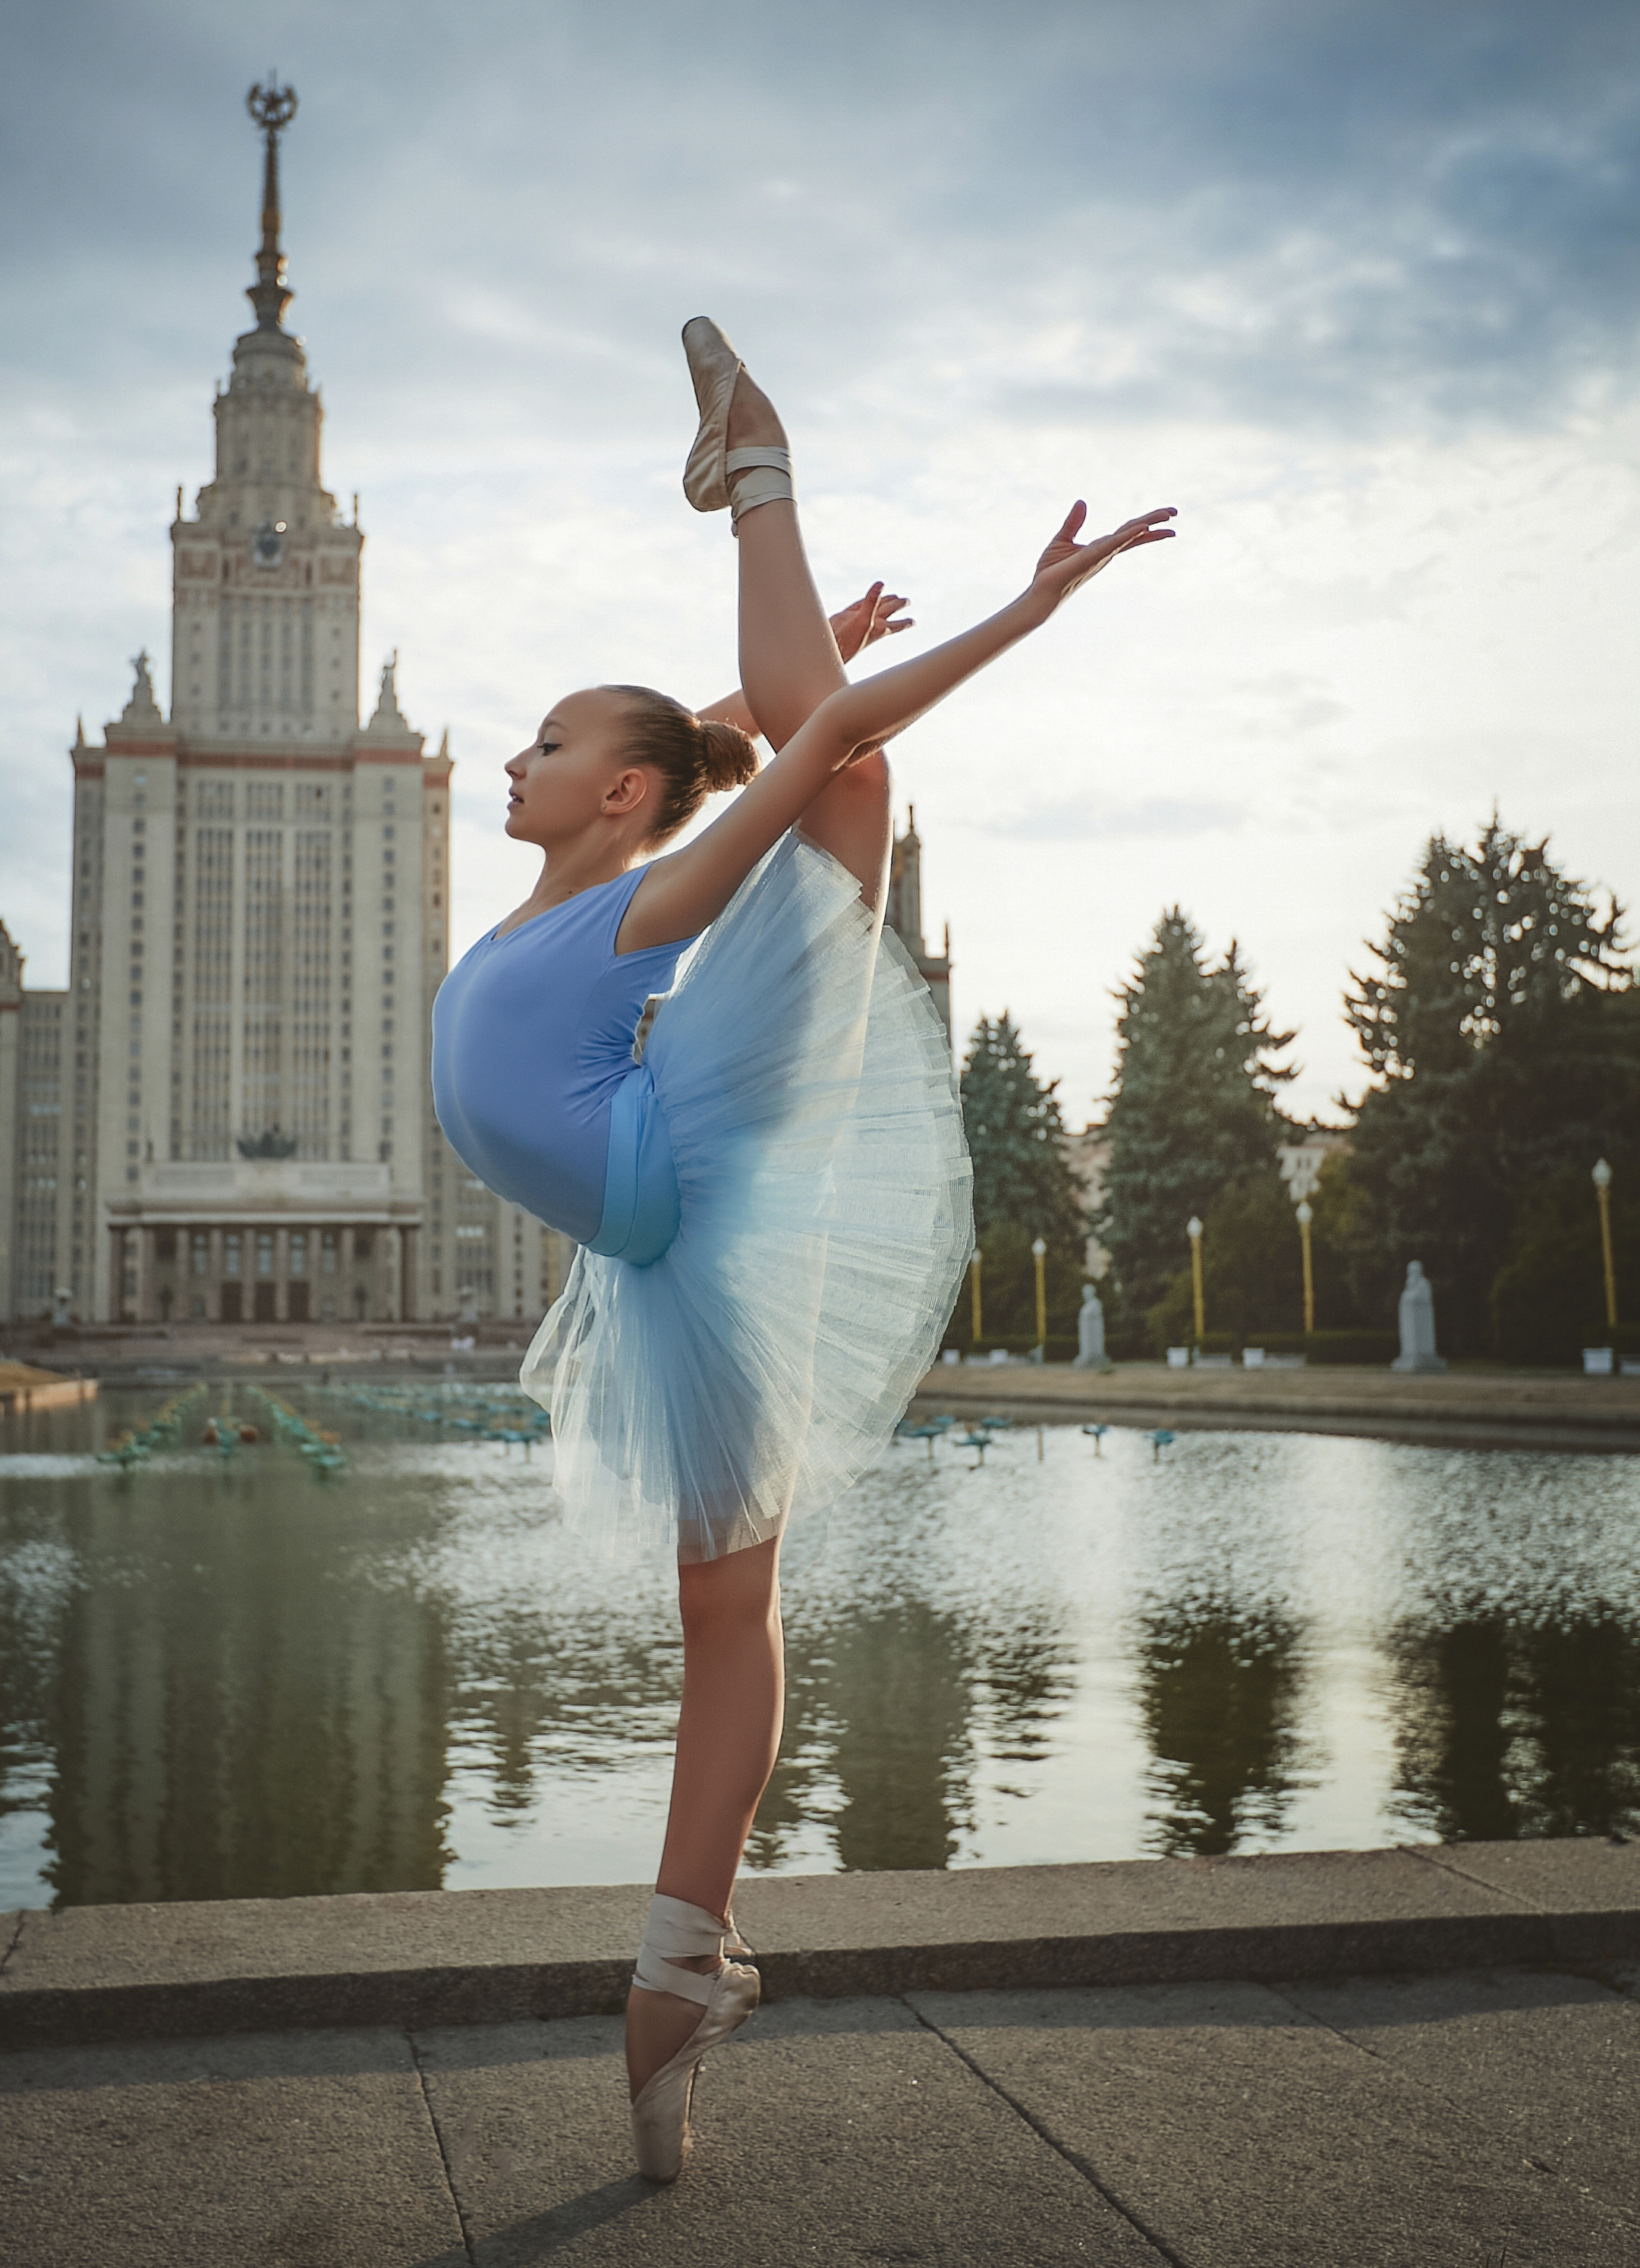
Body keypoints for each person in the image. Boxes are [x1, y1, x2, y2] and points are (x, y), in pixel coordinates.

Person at [431, 319, 1174, 2180]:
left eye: (541, 742)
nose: (504, 758)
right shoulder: (577, 895)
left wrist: (1026, 607)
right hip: (662, 1227)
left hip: (685, 1151)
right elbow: (684, 748)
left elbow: (791, 737)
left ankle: (752, 463)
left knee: (841, 773)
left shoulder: (620, 917)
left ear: (606, 798)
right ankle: (679, 1981)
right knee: (721, 1617)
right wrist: (754, 703)